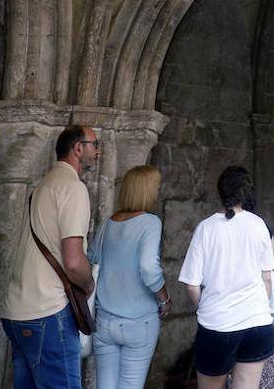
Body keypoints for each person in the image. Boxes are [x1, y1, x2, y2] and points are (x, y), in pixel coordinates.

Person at [2, 124, 100, 389]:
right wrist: (89, 284)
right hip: (47, 312)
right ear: (78, 148)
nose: (98, 152)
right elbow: (73, 261)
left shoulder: (43, 186)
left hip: (17, 311)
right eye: (95, 145)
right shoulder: (72, 188)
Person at [179, 165, 274, 389]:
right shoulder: (258, 224)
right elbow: (267, 279)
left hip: (217, 325)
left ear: (221, 193)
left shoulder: (206, 228)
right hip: (256, 322)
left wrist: (206, 305)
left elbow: (192, 285)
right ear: (246, 192)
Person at [89, 164, 168, 389]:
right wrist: (164, 297)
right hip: (139, 322)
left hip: (105, 322)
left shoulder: (107, 223)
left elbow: (92, 258)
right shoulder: (150, 222)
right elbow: (148, 268)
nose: (158, 191)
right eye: (156, 186)